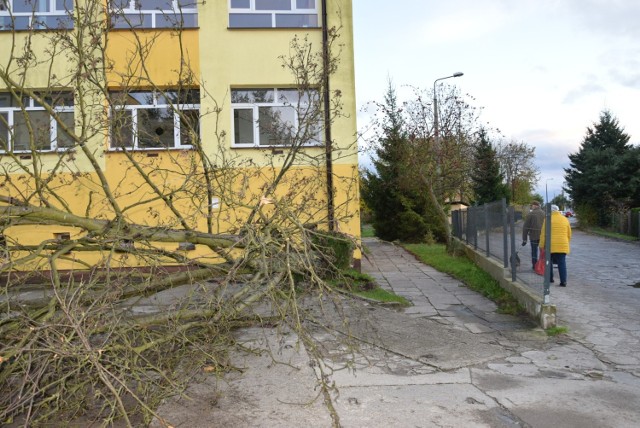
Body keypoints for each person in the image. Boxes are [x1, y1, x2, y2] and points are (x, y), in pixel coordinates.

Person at [539, 204, 572, 287]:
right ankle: (563, 281)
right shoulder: (565, 219)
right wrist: (566, 242)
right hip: (562, 245)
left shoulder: (547, 220)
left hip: (550, 245)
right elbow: (569, 234)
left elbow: (543, 234)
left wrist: (541, 245)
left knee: (549, 262)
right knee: (562, 263)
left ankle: (550, 278)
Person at [522, 200, 545, 269]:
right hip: (543, 236)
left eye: (531, 205)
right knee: (543, 252)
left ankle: (535, 266)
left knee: (534, 252)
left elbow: (525, 227)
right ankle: (542, 266)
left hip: (533, 236)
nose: (531, 207)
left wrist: (524, 239)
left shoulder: (530, 214)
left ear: (535, 206)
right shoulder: (544, 213)